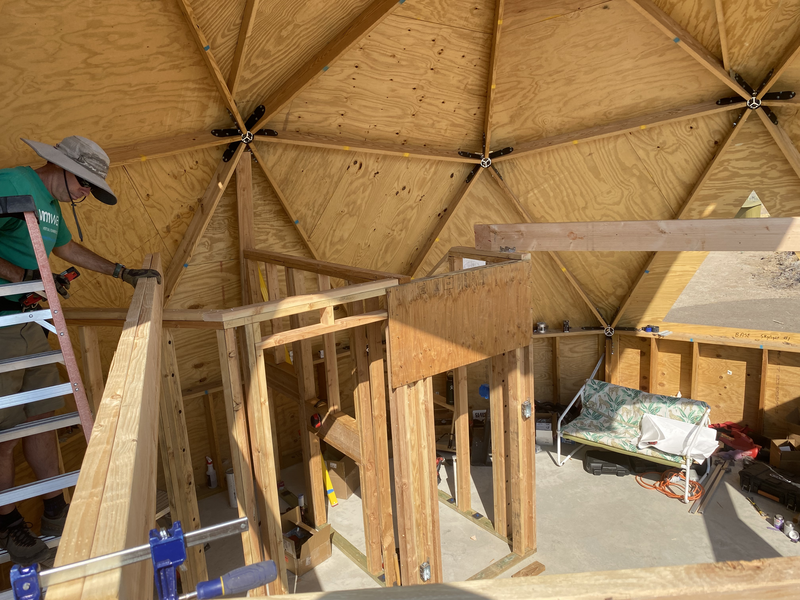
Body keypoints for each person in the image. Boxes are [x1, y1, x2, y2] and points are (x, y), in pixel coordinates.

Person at [0, 136, 161, 565]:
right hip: (1, 322)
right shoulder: (13, 182)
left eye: (91, 189)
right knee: (4, 434)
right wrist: (17, 274)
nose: (85, 194)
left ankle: (54, 511)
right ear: (62, 166)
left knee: (42, 421)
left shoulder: (51, 208)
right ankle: (8, 525)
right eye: (85, 184)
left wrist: (121, 271)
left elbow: (65, 249)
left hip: (31, 321)